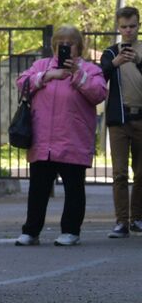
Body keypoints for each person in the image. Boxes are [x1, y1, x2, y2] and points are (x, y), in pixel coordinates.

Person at [14, 26, 106, 246]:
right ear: (54, 45)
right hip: (42, 140)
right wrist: (47, 76)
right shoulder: (41, 66)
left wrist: (78, 74)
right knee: (38, 188)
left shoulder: (91, 69)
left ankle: (71, 230)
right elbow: (22, 84)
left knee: (74, 188)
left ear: (79, 46)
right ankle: (31, 231)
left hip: (73, 139)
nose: (65, 46)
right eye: (61, 42)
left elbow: (99, 93)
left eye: (70, 42)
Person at [99, 6, 142, 237]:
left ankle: (137, 218)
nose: (128, 31)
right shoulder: (110, 53)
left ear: (139, 26)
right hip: (119, 119)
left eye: (132, 26)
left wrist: (138, 61)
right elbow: (97, 77)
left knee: (141, 173)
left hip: (141, 117)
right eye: (124, 27)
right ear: (118, 28)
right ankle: (121, 222)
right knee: (119, 173)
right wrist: (114, 63)